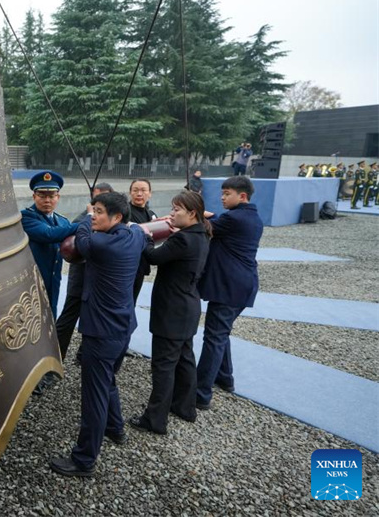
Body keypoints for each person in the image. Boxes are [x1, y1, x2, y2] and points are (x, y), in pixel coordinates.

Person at [49, 192, 147, 477]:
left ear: (117, 217)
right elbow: (142, 231)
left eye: (100, 211)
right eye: (94, 210)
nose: (94, 215)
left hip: (101, 333)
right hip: (123, 328)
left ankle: (84, 460)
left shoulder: (102, 244)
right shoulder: (134, 237)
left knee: (93, 397)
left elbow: (81, 237)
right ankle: (115, 429)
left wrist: (84, 217)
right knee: (108, 382)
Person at [129, 191, 211, 435]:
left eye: (177, 210)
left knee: (163, 366)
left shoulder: (182, 240)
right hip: (188, 308)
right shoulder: (201, 235)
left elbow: (153, 257)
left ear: (192, 213)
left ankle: (155, 420)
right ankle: (185, 408)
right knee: (185, 360)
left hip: (172, 312)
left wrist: (143, 235)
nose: (172, 214)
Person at [195, 176, 263, 410]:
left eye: (227, 194)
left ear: (242, 196)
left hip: (229, 288)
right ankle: (225, 377)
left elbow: (201, 225)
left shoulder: (233, 219)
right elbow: (213, 220)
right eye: (222, 193)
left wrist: (194, 210)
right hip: (241, 285)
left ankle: (200, 393)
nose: (222, 198)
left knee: (213, 337)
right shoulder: (251, 216)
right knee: (220, 334)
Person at [54, 182, 114, 363]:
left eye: (105, 196)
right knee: (68, 317)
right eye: (97, 196)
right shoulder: (85, 218)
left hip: (100, 280)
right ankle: (55, 358)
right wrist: (90, 216)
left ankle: (84, 355)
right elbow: (76, 237)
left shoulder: (113, 220)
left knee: (95, 320)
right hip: (80, 278)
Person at [21, 171, 78, 318]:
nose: (47, 200)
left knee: (51, 313)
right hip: (32, 279)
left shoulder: (63, 221)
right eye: (42, 195)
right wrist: (84, 224)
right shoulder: (26, 217)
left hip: (54, 278)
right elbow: (49, 234)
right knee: (31, 317)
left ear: (58, 197)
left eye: (51, 196)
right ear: (34, 196)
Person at [128, 179, 157, 305]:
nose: (139, 194)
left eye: (143, 190)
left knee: (133, 301)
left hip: (142, 264)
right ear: (130, 193)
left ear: (150, 193)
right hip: (127, 265)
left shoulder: (151, 214)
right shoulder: (124, 213)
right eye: (135, 190)